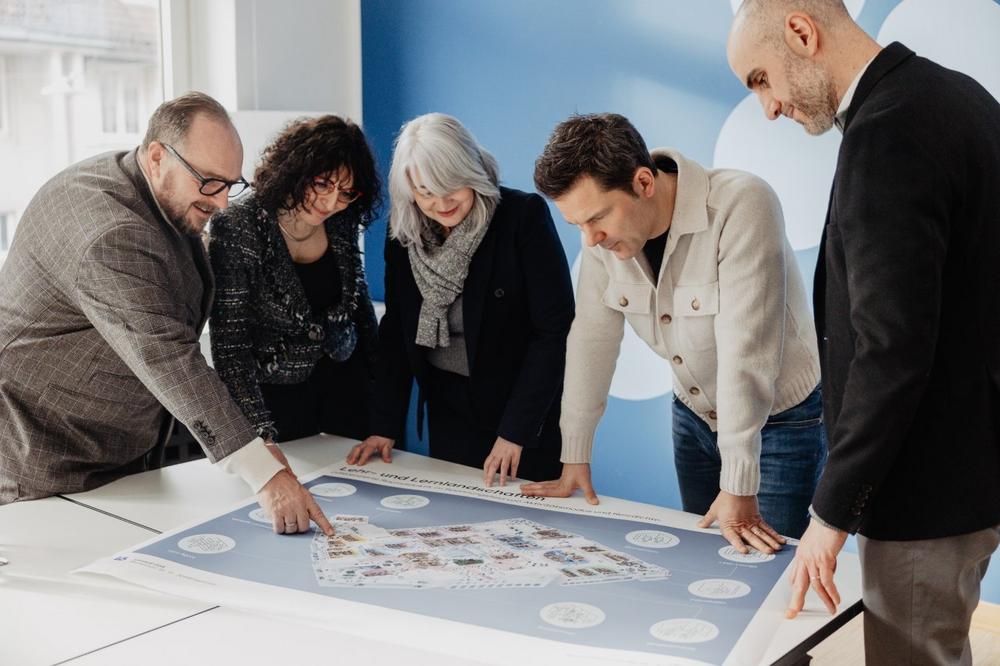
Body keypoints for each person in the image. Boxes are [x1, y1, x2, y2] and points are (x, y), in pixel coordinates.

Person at [727, 2, 1000, 663]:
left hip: (924, 490)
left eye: (761, 79)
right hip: (973, 466)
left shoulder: (888, 132)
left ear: (801, 32)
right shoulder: (958, 96)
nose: (768, 107)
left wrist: (831, 512)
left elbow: (892, 348)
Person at [0, 91, 333, 537]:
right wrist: (265, 475)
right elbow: (169, 356)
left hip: (120, 450)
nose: (222, 203)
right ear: (158, 156)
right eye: (210, 182)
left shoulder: (151, 186)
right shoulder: (111, 234)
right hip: (46, 458)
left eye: (231, 184)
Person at [522, 113, 826, 551]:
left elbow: (745, 351)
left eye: (597, 218)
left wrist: (739, 480)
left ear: (644, 182)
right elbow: (591, 339)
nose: (590, 240)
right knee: (704, 558)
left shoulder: (742, 205)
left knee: (766, 567)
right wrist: (574, 455)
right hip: (693, 415)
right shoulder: (603, 240)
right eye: (577, 225)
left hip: (778, 423)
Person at [346, 113, 574, 485]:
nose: (441, 202)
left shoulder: (521, 217)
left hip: (521, 409)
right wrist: (384, 425)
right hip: (449, 410)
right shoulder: (403, 234)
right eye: (425, 191)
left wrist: (515, 431)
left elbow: (554, 331)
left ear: (471, 171)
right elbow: (397, 330)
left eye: (450, 184)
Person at [209, 115, 380, 444]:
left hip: (349, 389)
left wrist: (384, 411)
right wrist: (259, 436)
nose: (331, 202)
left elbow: (360, 310)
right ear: (295, 170)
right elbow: (231, 347)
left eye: (346, 191)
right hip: (277, 400)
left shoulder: (342, 218)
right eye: (322, 184)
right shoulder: (239, 226)